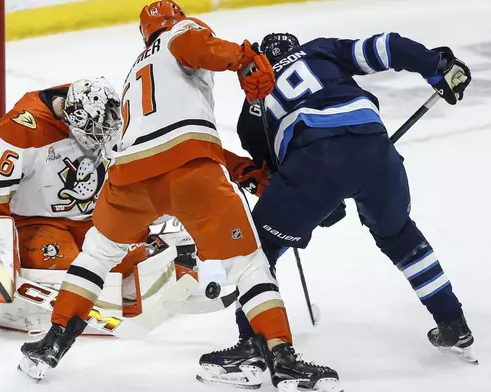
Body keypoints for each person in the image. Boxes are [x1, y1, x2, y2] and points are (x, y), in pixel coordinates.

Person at [17, 1, 341, 390]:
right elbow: (199, 51)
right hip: (190, 174)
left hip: (129, 176)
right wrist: (243, 58)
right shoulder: (181, 34)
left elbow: (166, 134)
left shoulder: (135, 71)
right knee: (249, 263)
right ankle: (283, 358)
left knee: (97, 254)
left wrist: (240, 168)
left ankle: (52, 343)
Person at [200, 30, 477, 378]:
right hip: (376, 152)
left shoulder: (252, 106)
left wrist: (321, 205)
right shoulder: (321, 50)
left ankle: (253, 343)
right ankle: (453, 322)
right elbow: (388, 46)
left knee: (258, 248)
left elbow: (277, 177)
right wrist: (437, 66)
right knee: (399, 235)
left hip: (315, 162)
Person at [0, 77, 194, 332]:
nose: (102, 139)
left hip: (95, 215)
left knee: (127, 260)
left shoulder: (103, 114)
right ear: (74, 119)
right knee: (68, 271)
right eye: (94, 133)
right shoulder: (21, 129)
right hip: (38, 222)